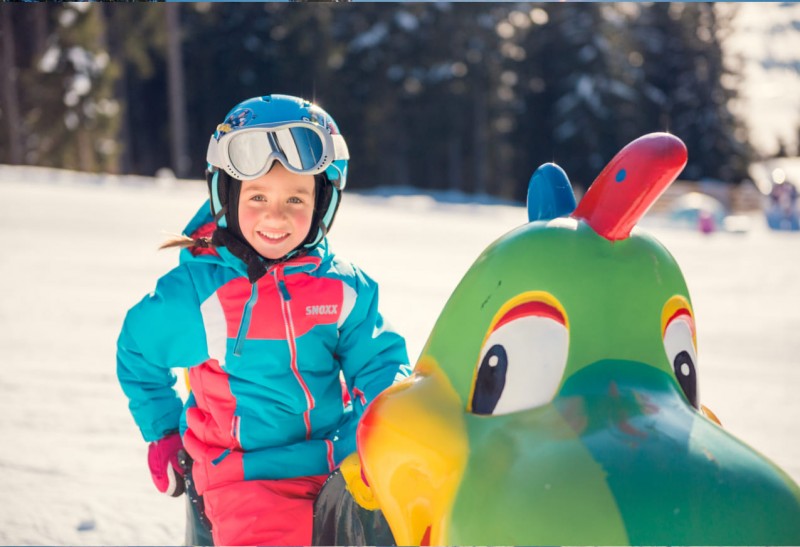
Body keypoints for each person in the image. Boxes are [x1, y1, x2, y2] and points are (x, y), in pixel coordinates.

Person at [117, 94, 410, 546]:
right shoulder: (200, 297)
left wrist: (385, 424)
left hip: (339, 453)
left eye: (296, 198)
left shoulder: (344, 288)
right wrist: (162, 432)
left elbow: (378, 363)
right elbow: (137, 350)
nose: (276, 215)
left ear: (323, 204)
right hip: (247, 476)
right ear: (227, 197)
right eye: (257, 197)